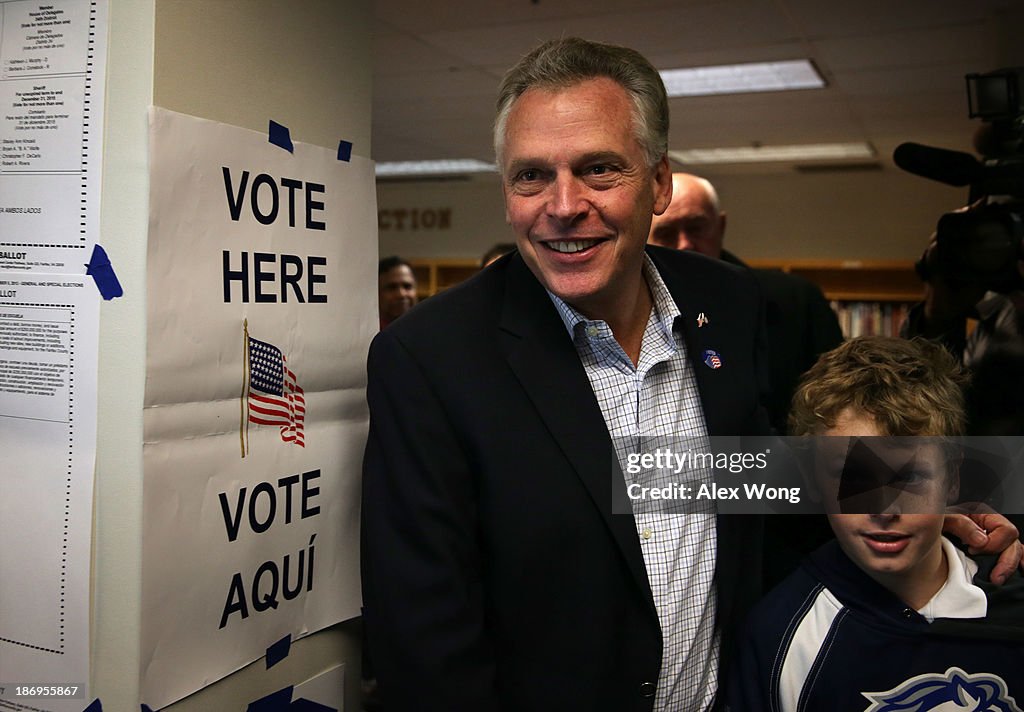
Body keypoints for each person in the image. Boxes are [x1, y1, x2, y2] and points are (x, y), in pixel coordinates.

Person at [362, 37, 771, 711]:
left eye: (599, 169)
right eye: (530, 176)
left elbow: (751, 480)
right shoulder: (430, 361)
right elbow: (424, 648)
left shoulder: (728, 304)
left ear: (660, 183)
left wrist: (930, 493)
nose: (562, 205)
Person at [727, 337, 1024, 711]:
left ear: (951, 478)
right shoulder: (781, 636)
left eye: (911, 477)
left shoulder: (1012, 604)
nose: (884, 508)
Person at [648, 172, 843, 432]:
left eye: (696, 227)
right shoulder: (628, 315)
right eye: (667, 232)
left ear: (721, 226)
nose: (685, 244)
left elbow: (838, 403)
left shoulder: (796, 301)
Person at [377, 255, 417, 329]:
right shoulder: (370, 335)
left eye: (407, 286)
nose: (401, 294)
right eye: (392, 287)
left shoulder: (429, 331)